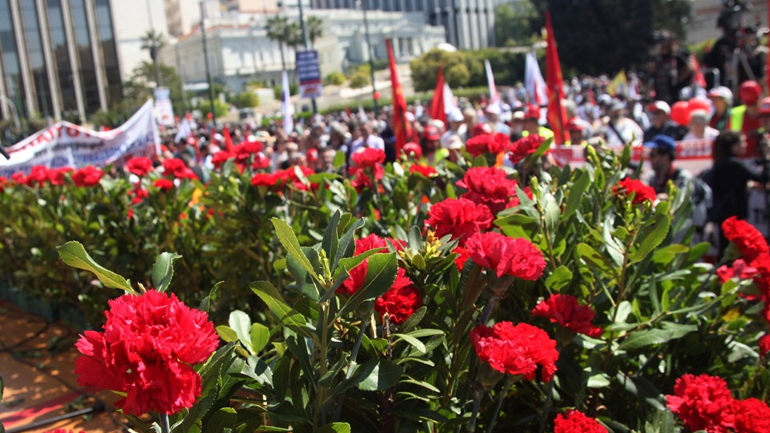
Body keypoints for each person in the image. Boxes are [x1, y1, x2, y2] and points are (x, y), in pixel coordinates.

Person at [707, 130, 770, 255]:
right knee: (732, 253)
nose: (745, 145)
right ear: (733, 146)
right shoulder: (734, 163)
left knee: (726, 251)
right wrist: (767, 156)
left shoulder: (721, 163)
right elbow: (764, 178)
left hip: (724, 215)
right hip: (733, 215)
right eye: (741, 142)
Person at [649, 30, 694, 105]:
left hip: (677, 90)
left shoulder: (678, 54)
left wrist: (679, 80)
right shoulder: (658, 57)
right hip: (662, 90)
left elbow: (690, 68)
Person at [730, 80, 762, 158]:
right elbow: (729, 142)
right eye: (749, 105)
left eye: (754, 104)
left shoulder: (767, 112)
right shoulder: (735, 114)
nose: (752, 108)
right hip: (741, 161)